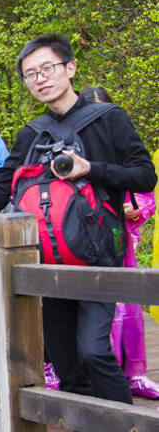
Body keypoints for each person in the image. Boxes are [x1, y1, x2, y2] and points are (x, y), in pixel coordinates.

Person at [0, 34, 156, 405]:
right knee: (65, 361)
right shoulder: (32, 134)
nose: (40, 79)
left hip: (98, 258)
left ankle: (128, 424)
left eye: (47, 69)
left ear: (70, 68)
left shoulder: (109, 119)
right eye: (31, 74)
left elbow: (144, 176)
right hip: (50, 262)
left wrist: (92, 169)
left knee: (94, 351)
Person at [80, 85, 159, 399]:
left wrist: (136, 210)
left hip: (120, 240)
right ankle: (96, 377)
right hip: (84, 243)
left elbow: (146, 193)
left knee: (127, 308)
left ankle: (133, 374)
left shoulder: (125, 147)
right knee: (92, 310)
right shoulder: (72, 152)